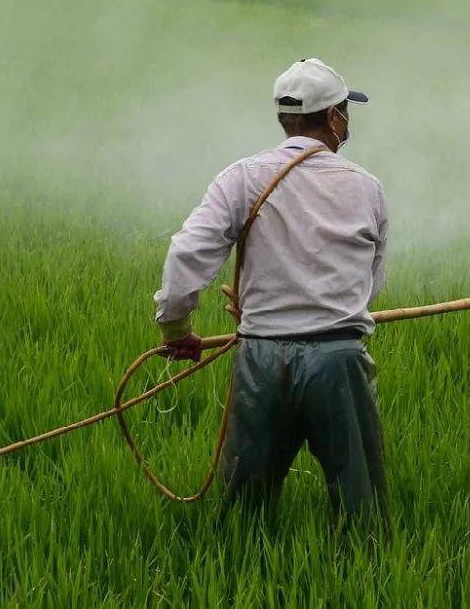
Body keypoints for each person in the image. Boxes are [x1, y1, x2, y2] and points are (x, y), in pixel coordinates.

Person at [152, 58, 388, 524]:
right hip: (338, 359)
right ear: (334, 116)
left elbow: (187, 254)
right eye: (345, 110)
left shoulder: (241, 177)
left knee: (245, 513)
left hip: (262, 359)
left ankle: (237, 573)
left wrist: (176, 329)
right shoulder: (366, 189)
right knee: (361, 510)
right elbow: (368, 285)